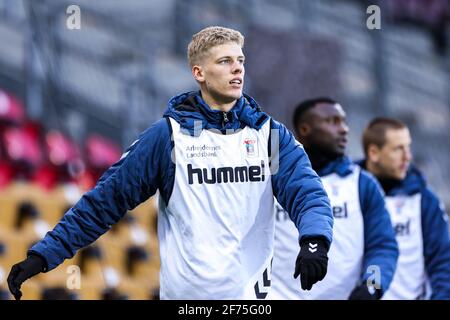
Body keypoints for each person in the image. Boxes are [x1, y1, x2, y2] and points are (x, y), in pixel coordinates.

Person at [7, 26, 333, 300]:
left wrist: (315, 239)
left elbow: (306, 191)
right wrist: (43, 254)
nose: (238, 69)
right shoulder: (168, 138)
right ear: (199, 73)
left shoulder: (270, 136)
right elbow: (104, 201)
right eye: (225, 61)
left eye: (240, 61)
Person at [270, 98, 399, 300]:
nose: (344, 129)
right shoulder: (272, 181)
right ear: (305, 130)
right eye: (332, 121)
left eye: (344, 121)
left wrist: (372, 286)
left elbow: (382, 247)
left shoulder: (362, 184)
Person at [360, 117, 450, 299]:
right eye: (398, 149)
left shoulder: (424, 199)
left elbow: (442, 261)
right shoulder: (346, 191)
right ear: (374, 153)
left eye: (408, 147)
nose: (407, 157)